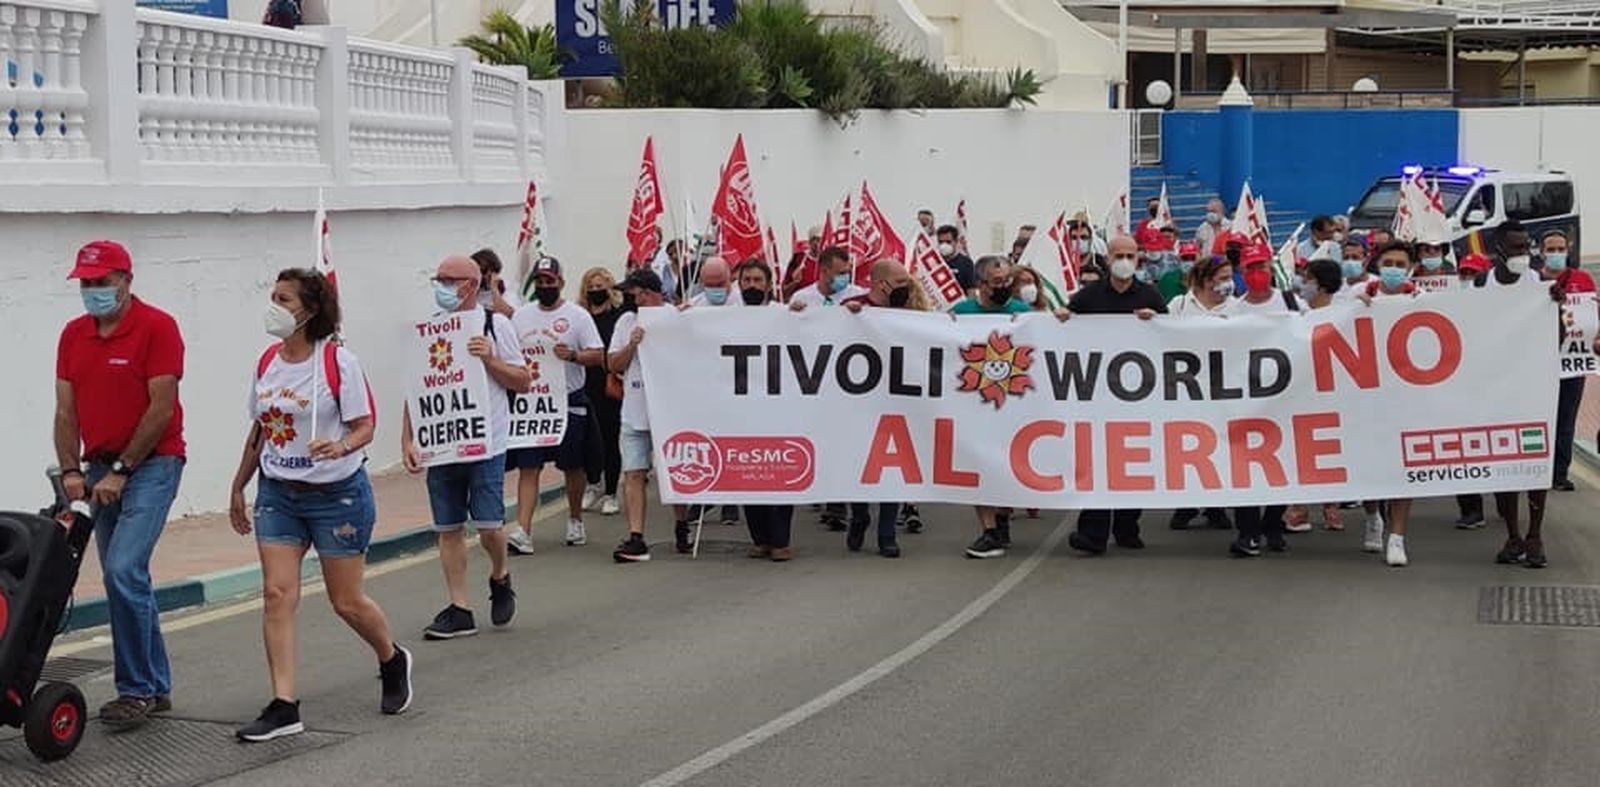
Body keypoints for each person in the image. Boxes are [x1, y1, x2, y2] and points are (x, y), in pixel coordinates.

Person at [228, 268, 411, 742]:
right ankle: (284, 705)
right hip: (278, 492)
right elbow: (261, 428)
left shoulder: (338, 362)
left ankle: (391, 658)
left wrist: (342, 447)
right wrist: (238, 486)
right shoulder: (268, 360)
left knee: (346, 601)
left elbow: (365, 425)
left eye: (283, 299)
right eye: (272, 296)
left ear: (309, 310)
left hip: (337, 495)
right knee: (277, 594)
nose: (273, 306)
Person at [54, 240, 185, 727]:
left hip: (153, 464)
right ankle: (156, 685)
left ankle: (135, 692)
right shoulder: (73, 336)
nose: (92, 292)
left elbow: (161, 407)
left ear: (126, 280)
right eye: (86, 284)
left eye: (101, 283)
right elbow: (66, 410)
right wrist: (71, 470)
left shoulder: (157, 327)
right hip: (96, 468)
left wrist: (123, 470)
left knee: (124, 571)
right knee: (127, 580)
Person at [404, 255, 530, 638]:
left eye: (448, 279)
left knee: (490, 527)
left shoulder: (496, 324)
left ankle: (500, 574)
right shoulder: (430, 330)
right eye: (437, 278)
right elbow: (419, 388)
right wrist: (409, 437)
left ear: (471, 285)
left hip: (485, 443)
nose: (440, 285)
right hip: (444, 445)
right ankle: (460, 607)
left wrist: (490, 358)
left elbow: (522, 380)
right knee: (449, 527)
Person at [1063, 236, 1166, 556]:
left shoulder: (1150, 295)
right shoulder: (1089, 295)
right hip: (1096, 396)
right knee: (1098, 464)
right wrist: (1061, 316)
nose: (1124, 260)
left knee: (1131, 463)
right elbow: (1064, 323)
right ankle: (1092, 534)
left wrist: (1157, 321)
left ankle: (1127, 527)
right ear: (1108, 259)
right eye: (1119, 255)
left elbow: (1172, 341)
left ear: (1138, 260)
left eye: (1130, 255)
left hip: (1138, 398)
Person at [506, 256, 604, 553]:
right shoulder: (521, 317)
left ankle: (575, 519)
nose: (545, 286)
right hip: (532, 403)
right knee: (529, 466)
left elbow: (598, 354)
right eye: (540, 281)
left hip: (567, 402)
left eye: (550, 281)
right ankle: (523, 529)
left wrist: (573, 356)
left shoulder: (578, 316)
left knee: (572, 466)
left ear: (561, 282)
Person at [837, 260, 922, 558]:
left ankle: (887, 533)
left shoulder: (911, 312)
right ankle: (859, 515)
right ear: (880, 283)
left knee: (893, 467)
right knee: (858, 465)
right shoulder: (851, 307)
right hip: (858, 402)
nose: (905, 288)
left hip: (897, 399)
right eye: (900, 282)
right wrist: (846, 318)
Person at [609, 268, 695, 561]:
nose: (629, 299)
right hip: (635, 407)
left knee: (675, 469)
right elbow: (613, 365)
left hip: (671, 410)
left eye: (633, 293)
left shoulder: (675, 315)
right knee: (633, 473)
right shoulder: (626, 322)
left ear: (646, 293)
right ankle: (636, 536)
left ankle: (682, 523)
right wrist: (632, 344)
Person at [1356, 242, 1420, 566]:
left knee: (1402, 469)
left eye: (1400, 263)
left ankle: (1397, 537)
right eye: (1388, 262)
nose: (1394, 268)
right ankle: (1372, 518)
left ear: (1409, 269)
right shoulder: (1357, 297)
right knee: (1369, 465)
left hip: (1406, 396)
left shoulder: (1421, 300)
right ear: (1378, 265)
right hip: (1366, 397)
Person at [730, 260, 799, 561]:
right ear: (739, 283)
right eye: (747, 280)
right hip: (743, 410)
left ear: (769, 284)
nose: (752, 286)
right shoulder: (724, 318)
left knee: (783, 473)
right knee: (749, 474)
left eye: (758, 280)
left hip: (780, 407)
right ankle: (760, 538)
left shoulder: (784, 315)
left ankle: (781, 539)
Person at [1165, 254, 1237, 531]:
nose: (1229, 284)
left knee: (1220, 446)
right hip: (1187, 388)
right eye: (1223, 279)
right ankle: (1186, 504)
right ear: (1207, 280)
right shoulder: (1180, 305)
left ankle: (1216, 506)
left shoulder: (1237, 307)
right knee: (1187, 445)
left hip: (1225, 387)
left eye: (1230, 278)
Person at [1281, 260, 1346, 533]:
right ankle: (1300, 508)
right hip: (1302, 388)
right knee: (1303, 449)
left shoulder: (1346, 312)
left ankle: (1331, 507)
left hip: (1334, 389)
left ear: (1320, 283)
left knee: (1333, 450)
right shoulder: (1297, 312)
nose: (1301, 282)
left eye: (1306, 278)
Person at [681, 257, 743, 527]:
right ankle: (703, 499)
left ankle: (731, 503)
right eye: (709, 285)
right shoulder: (695, 306)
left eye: (720, 284)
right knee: (707, 444)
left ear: (730, 279)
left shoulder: (745, 303)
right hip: (705, 388)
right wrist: (676, 317)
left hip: (738, 384)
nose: (715, 289)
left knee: (733, 442)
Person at [1539, 230, 1591, 492]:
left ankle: (1559, 473)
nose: (1557, 253)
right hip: (1538, 366)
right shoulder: (1532, 282)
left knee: (1566, 419)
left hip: (1573, 363)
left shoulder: (1583, 279)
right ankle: (1538, 470)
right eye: (1552, 249)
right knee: (1540, 417)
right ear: (1541, 252)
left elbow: (1593, 318)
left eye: (1561, 248)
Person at [579, 266, 624, 516]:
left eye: (600, 287)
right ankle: (593, 483)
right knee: (587, 440)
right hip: (584, 382)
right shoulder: (581, 315)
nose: (596, 291)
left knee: (609, 439)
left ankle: (611, 493)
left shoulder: (617, 316)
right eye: (591, 287)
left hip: (609, 384)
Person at [952, 256, 1034, 316]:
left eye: (1007, 280)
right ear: (980, 283)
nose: (1004, 286)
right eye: (997, 281)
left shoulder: (1024, 312)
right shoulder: (961, 312)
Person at [789, 246, 865, 310]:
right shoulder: (801, 297)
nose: (846, 277)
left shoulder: (857, 295)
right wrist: (793, 314)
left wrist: (858, 313)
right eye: (841, 273)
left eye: (848, 272)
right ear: (824, 270)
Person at [472, 248, 516, 318]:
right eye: (481, 270)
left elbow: (509, 315)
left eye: (483, 270)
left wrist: (495, 289)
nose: (482, 275)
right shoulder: (471, 289)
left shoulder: (505, 288)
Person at [936, 224, 977, 292]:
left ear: (956, 241)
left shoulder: (966, 263)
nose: (944, 245)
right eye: (941, 242)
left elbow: (971, 291)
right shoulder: (933, 262)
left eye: (948, 242)